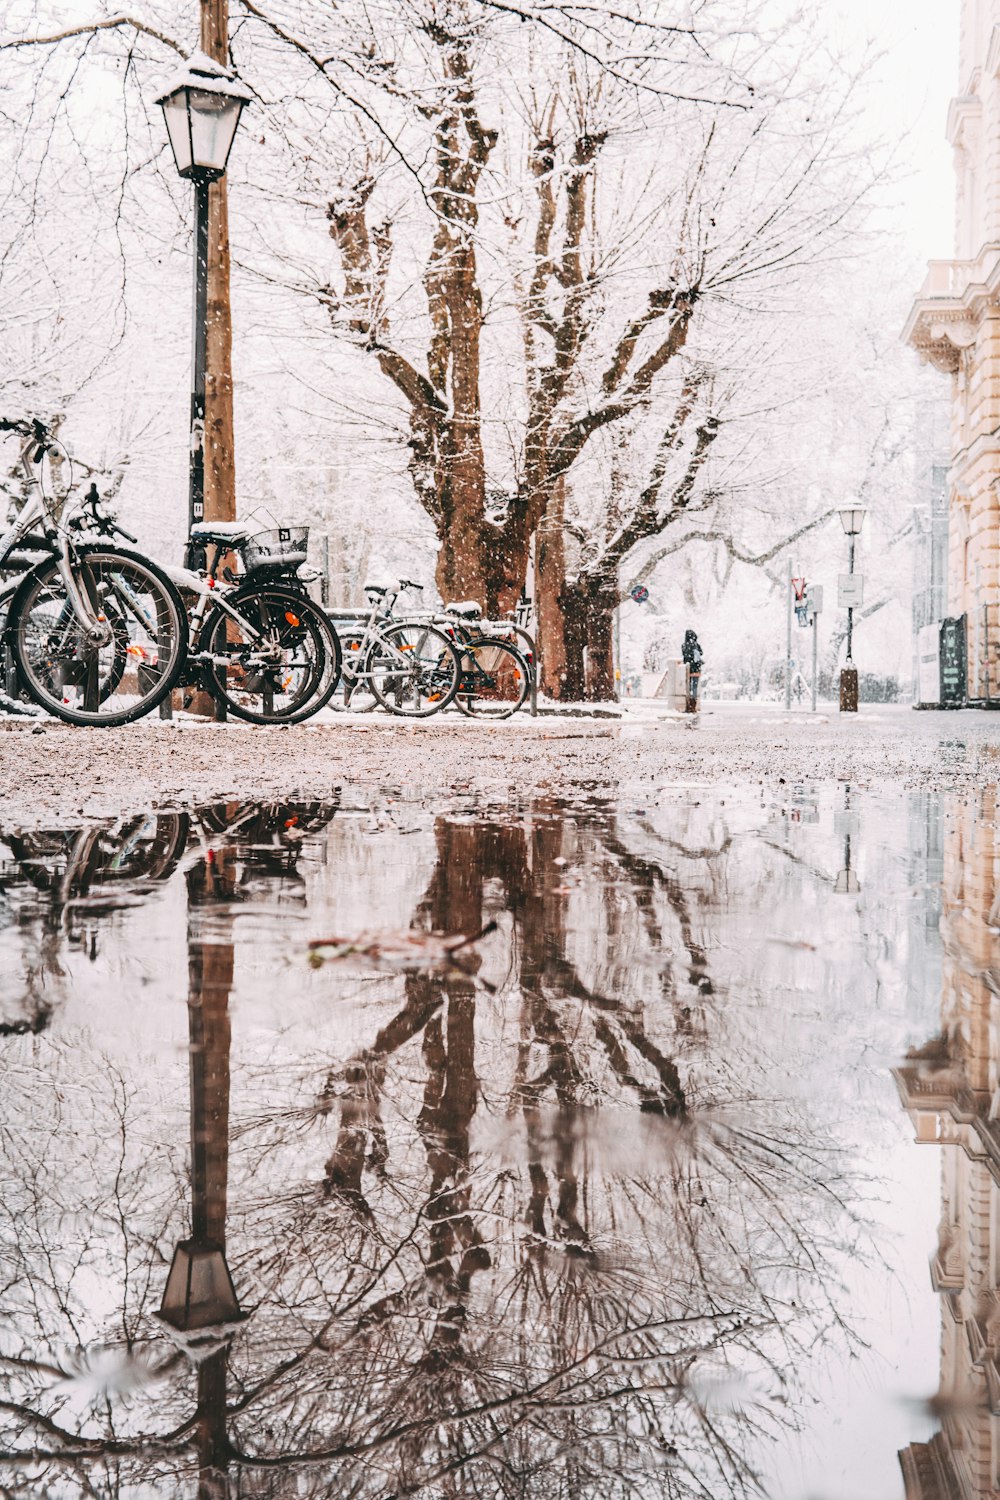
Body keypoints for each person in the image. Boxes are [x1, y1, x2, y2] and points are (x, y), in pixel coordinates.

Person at [681, 629, 704, 712]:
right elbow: (701, 653)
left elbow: (684, 654)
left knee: (688, 687)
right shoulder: (696, 645)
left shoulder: (684, 645)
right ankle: (693, 705)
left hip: (688, 669)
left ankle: (688, 705)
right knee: (694, 687)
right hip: (696, 669)